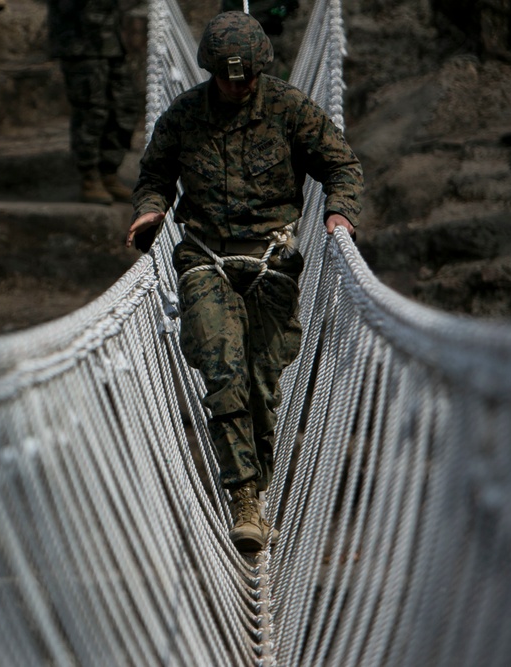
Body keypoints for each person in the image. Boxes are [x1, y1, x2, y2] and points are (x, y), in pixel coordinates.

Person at [124, 11, 363, 552]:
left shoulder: (289, 108)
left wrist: (340, 213)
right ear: (211, 71)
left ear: (260, 69)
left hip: (272, 263)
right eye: (229, 77)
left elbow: (341, 165)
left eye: (247, 75)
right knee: (223, 370)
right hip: (204, 260)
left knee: (260, 384)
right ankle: (244, 500)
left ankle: (258, 477)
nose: (238, 85)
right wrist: (150, 211)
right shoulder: (184, 115)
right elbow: (155, 176)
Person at [47, 0, 140, 205]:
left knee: (124, 106)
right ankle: (90, 177)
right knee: (92, 111)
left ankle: (109, 173)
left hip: (110, 40)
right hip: (80, 41)